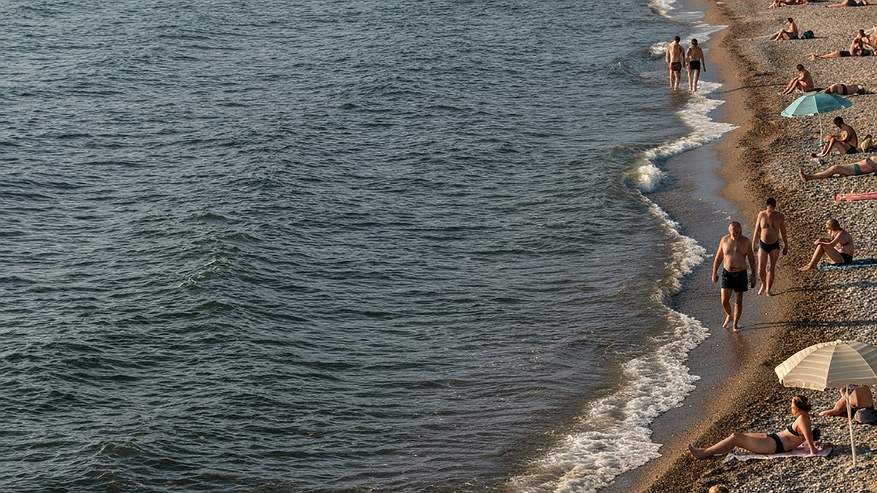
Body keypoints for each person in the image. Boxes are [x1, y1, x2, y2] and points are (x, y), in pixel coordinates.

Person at [688, 395, 821, 459]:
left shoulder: (803, 420)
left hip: (774, 445)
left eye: (792, 407)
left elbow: (808, 438)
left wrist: (813, 451)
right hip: (773, 439)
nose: (792, 410)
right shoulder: (803, 418)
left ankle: (703, 453)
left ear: (798, 407)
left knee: (735, 438)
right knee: (736, 437)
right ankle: (706, 451)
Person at [712, 221, 757, 331]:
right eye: (733, 231)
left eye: (738, 231)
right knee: (724, 300)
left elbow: (751, 258)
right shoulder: (724, 240)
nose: (736, 233)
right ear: (729, 230)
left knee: (738, 300)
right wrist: (714, 272)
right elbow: (718, 257)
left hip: (740, 274)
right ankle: (729, 315)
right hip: (726, 273)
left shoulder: (745, 241)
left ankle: (735, 324)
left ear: (740, 231)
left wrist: (753, 275)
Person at [752, 198, 788, 296]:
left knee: (771, 268)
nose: (770, 209)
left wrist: (786, 245)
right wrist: (753, 243)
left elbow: (783, 231)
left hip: (774, 244)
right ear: (767, 206)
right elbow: (757, 229)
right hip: (763, 244)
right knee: (760, 268)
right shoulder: (761, 214)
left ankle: (768, 289)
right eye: (769, 207)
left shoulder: (779, 216)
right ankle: (763, 284)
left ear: (775, 206)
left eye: (772, 207)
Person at [799, 155, 877, 181]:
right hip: (855, 165)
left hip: (856, 169)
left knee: (835, 168)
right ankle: (811, 176)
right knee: (835, 168)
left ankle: (810, 177)